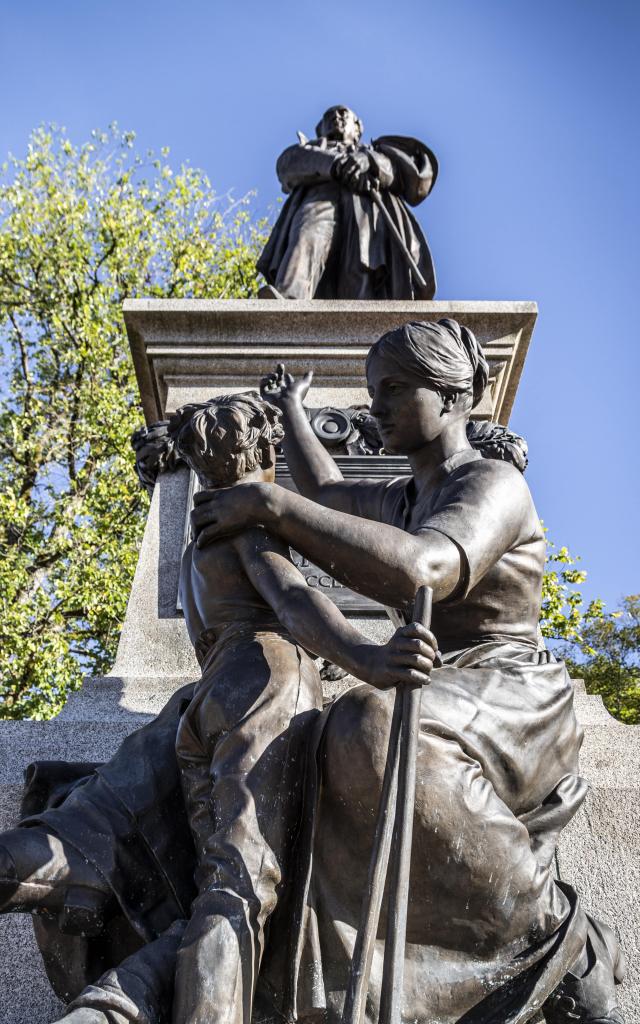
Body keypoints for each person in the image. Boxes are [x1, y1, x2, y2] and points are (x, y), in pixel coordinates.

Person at [190, 320, 625, 1024]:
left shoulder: (494, 484)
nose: (376, 405)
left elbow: (425, 567)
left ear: (452, 397)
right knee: (338, 730)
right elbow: (327, 492)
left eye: (394, 389)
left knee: (368, 717)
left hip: (512, 692)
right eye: (373, 390)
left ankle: (551, 927)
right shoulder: (402, 497)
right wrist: (294, 412)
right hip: (443, 682)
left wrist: (269, 503)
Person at [0, 392, 436, 1024]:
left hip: (204, 695)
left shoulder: (197, 544)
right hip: (268, 680)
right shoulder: (249, 528)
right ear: (264, 451)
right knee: (238, 883)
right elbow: (292, 602)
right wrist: (367, 658)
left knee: (163, 859)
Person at [257, 104, 437, 300]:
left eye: (343, 114)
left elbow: (401, 173)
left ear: (358, 128)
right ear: (320, 129)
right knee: (307, 238)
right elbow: (288, 165)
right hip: (320, 198)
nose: (336, 117)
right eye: (329, 116)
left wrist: (369, 161)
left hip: (366, 207)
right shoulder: (309, 149)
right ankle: (289, 301)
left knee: (362, 261)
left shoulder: (375, 152)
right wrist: (337, 164)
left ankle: (363, 316)